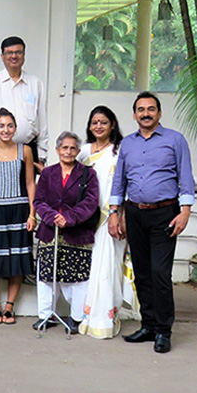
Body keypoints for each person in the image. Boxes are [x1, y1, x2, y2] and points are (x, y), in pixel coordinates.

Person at [109, 92, 195, 353]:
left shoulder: (175, 140)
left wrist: (186, 211)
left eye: (151, 109)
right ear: (134, 115)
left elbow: (186, 176)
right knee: (142, 272)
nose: (146, 113)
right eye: (140, 110)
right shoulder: (128, 144)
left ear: (159, 113)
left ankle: (163, 330)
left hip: (165, 214)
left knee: (160, 273)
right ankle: (148, 326)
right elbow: (119, 180)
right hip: (134, 214)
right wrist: (115, 211)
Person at [78, 105, 136, 338]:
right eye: (95, 122)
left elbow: (128, 183)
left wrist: (121, 215)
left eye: (103, 122)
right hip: (89, 218)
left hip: (112, 217)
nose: (99, 126)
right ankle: (90, 316)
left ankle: (107, 318)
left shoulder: (120, 150)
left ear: (112, 124)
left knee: (109, 266)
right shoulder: (83, 151)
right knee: (92, 269)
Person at [33, 132, 99, 333]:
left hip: (76, 233)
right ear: (57, 150)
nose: (68, 151)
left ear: (78, 151)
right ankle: (46, 315)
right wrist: (53, 217)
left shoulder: (88, 174)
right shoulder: (47, 173)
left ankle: (76, 317)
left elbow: (91, 202)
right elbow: (38, 201)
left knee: (76, 278)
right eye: (64, 147)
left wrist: (68, 218)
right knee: (46, 276)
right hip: (49, 231)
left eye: (72, 148)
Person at [0, 108, 36, 325]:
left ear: (15, 128)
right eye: (1, 126)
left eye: (10, 125)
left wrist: (32, 213)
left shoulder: (25, 150)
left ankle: (10, 305)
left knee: (17, 258)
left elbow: (30, 183)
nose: (6, 130)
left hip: (19, 211)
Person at [0, 36, 48, 167]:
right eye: (9, 52)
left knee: (27, 187)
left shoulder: (35, 84)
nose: (14, 56)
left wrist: (42, 155)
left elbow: (42, 122)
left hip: (28, 150)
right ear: (2, 56)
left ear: (24, 55)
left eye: (18, 52)